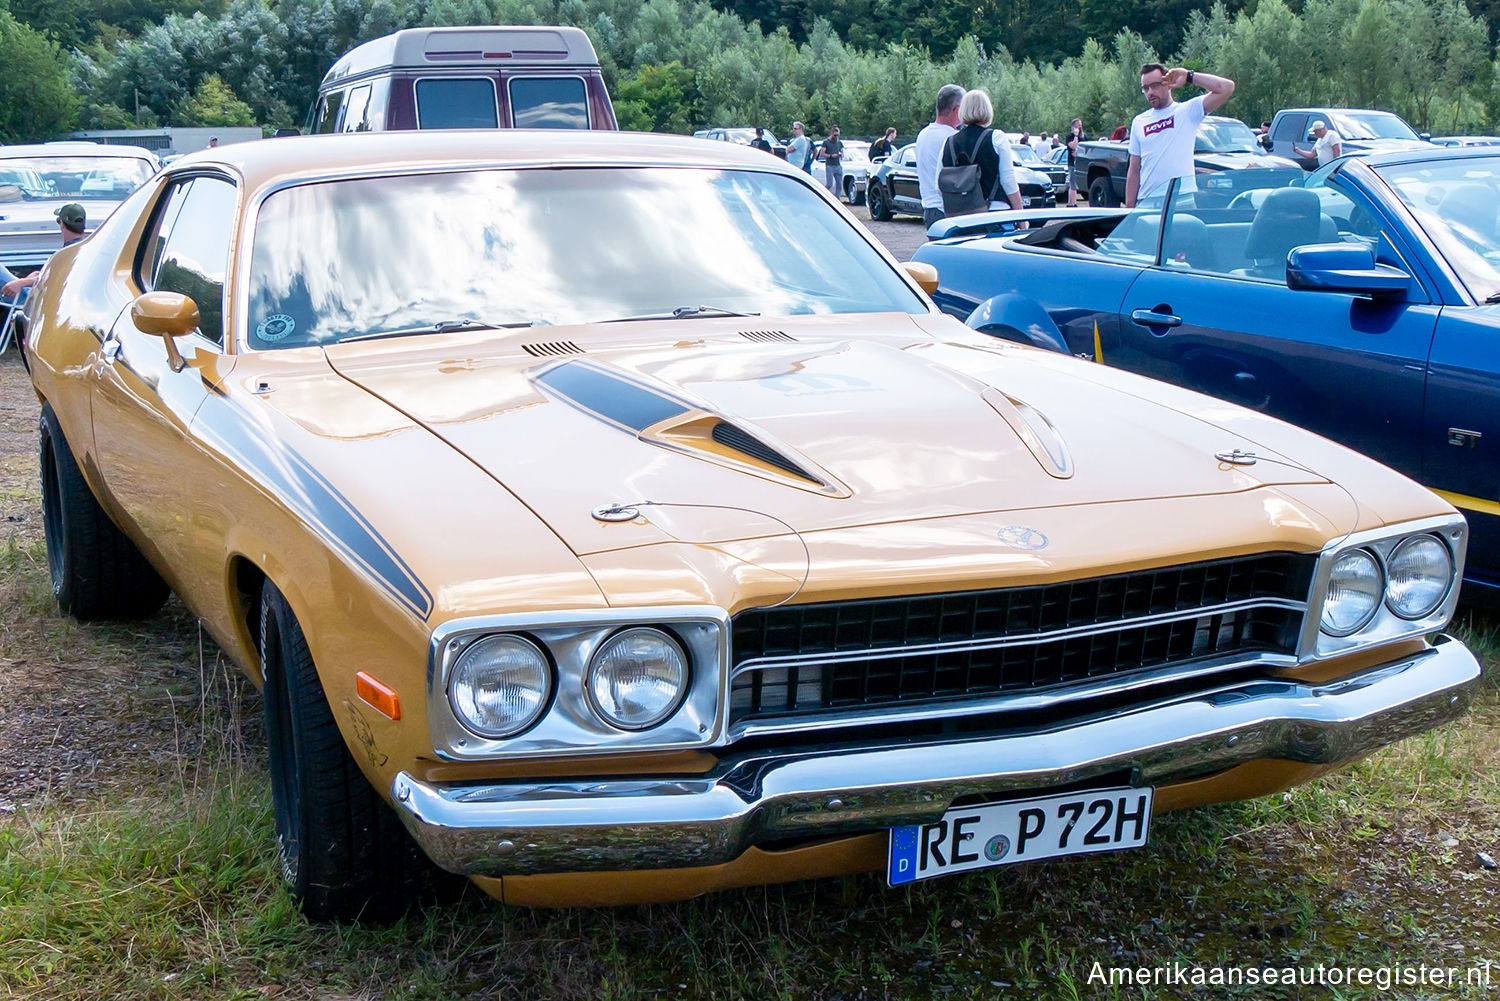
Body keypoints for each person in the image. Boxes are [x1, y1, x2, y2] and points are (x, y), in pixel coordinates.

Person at [1125, 63, 1235, 207]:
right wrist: (1129, 207)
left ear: (1168, 83)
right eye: (1145, 88)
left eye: (1155, 85)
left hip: (1181, 198)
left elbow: (1226, 88)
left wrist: (1189, 76)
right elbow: (1134, 169)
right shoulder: (1139, 122)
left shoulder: (1188, 111)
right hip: (1148, 200)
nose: (1150, 92)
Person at [940, 89, 1023, 218]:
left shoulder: (948, 143)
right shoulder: (997, 137)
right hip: (994, 213)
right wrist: (1021, 216)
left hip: (960, 217)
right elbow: (1008, 181)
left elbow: (938, 184)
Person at [1, 203, 86, 300]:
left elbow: (55, 279)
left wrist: (22, 283)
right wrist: (33, 278)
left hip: (39, 300)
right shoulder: (84, 248)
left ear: (62, 224)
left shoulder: (69, 252)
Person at [916, 83, 965, 230]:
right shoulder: (953, 138)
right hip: (949, 211)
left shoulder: (923, 135)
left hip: (929, 208)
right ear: (957, 110)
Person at [818, 125, 845, 199]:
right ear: (832, 133)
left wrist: (841, 154)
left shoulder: (839, 143)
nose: (836, 137)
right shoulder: (826, 142)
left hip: (838, 165)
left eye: (838, 135)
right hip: (830, 165)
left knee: (839, 184)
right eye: (835, 135)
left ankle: (837, 199)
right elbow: (822, 154)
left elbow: (842, 152)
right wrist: (831, 156)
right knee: (829, 184)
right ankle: (822, 195)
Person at [1065, 117, 1085, 207]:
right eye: (1078, 125)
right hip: (1072, 163)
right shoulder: (1069, 137)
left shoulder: (1084, 137)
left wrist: (1079, 153)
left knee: (1075, 183)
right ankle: (1072, 203)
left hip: (1080, 164)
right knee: (1072, 182)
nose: (1080, 126)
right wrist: (1076, 136)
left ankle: (1072, 202)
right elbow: (1073, 146)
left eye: (1080, 124)